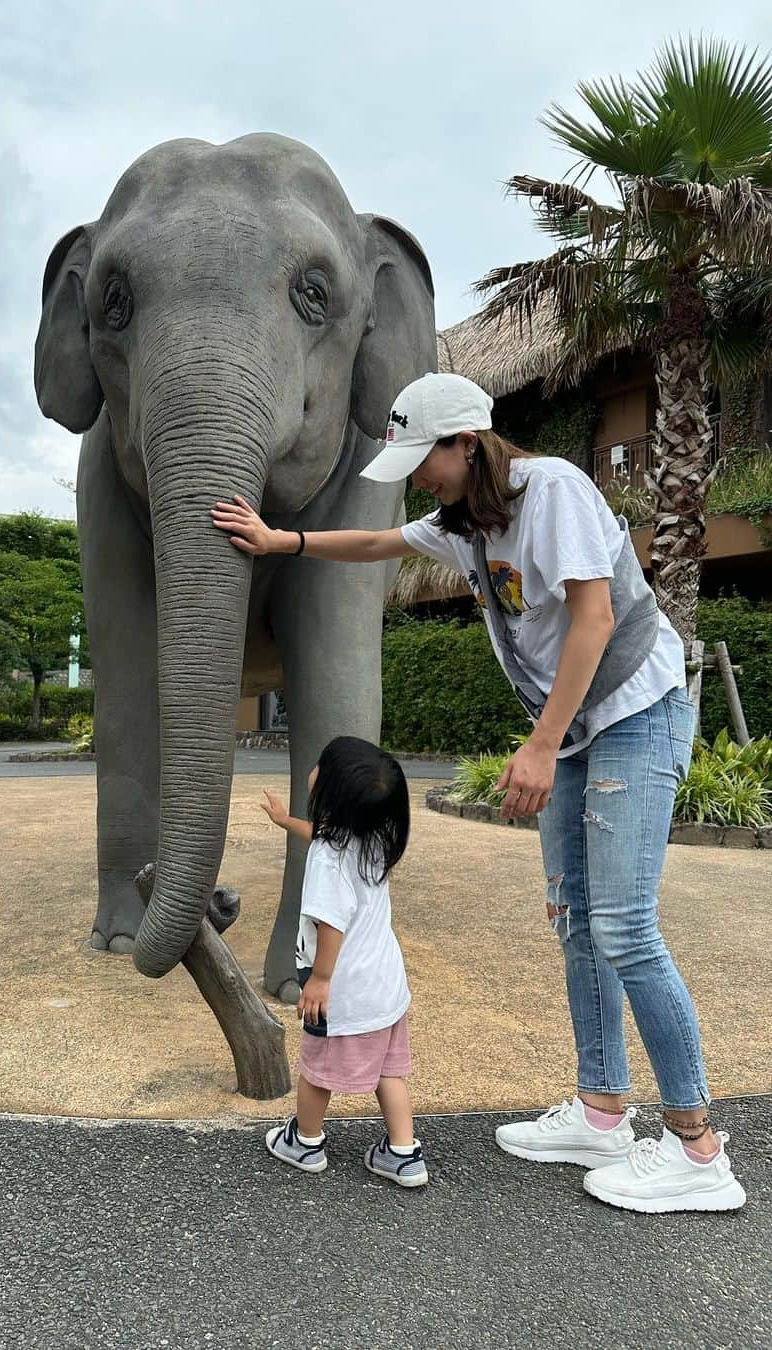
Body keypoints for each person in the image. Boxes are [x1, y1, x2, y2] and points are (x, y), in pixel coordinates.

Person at [212, 371, 746, 1214]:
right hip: (574, 728)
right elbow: (379, 546)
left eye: (426, 459)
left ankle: (698, 1150)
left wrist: (538, 746)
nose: (419, 478)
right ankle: (603, 1110)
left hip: (637, 712)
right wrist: (285, 544)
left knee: (624, 926)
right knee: (574, 915)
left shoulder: (555, 490)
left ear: (468, 443)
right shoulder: (464, 523)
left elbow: (595, 618)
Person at [261, 735, 426, 1189]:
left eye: (320, 765)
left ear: (329, 791)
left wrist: (319, 980)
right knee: (389, 1071)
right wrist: (285, 821)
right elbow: (325, 833)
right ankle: (403, 1153)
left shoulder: (328, 862)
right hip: (386, 987)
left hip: (343, 991)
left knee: (316, 1069)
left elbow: (329, 922)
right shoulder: (378, 836)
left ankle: (306, 1142)